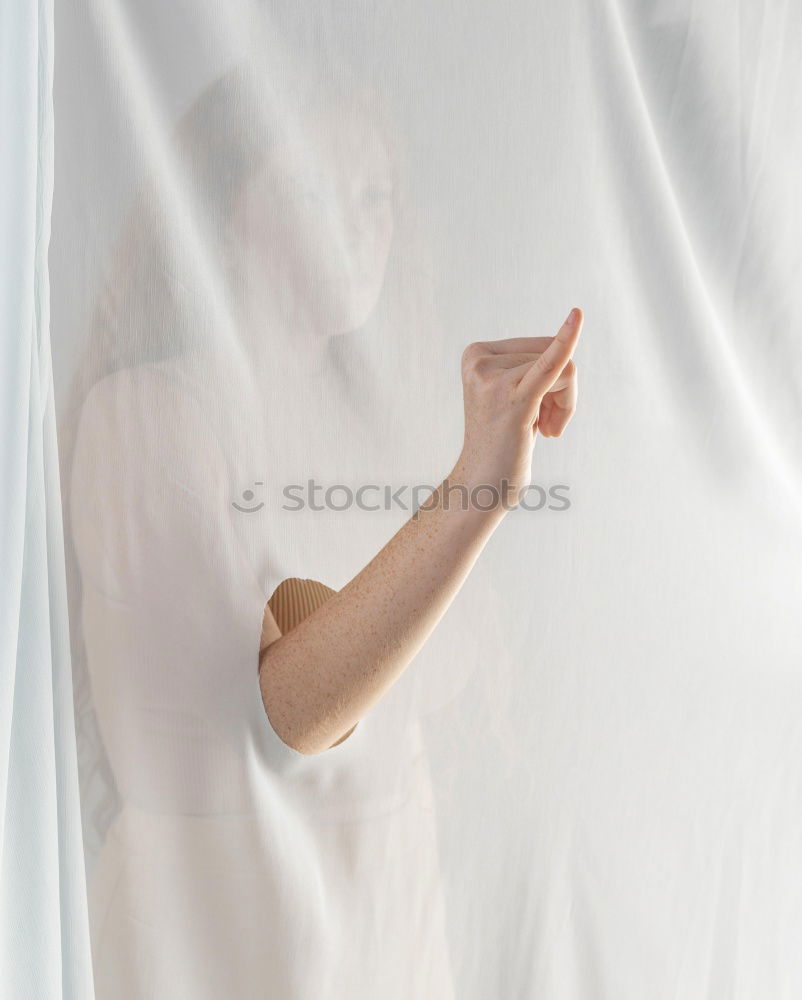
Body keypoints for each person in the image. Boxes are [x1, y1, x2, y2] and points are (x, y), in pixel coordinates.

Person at [60, 61, 581, 998]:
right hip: (225, 932)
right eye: (312, 190)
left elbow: (440, 676)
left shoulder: (377, 425)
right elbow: (286, 722)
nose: (357, 225)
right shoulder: (150, 417)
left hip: (386, 916)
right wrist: (479, 485)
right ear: (225, 210)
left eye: (374, 195)